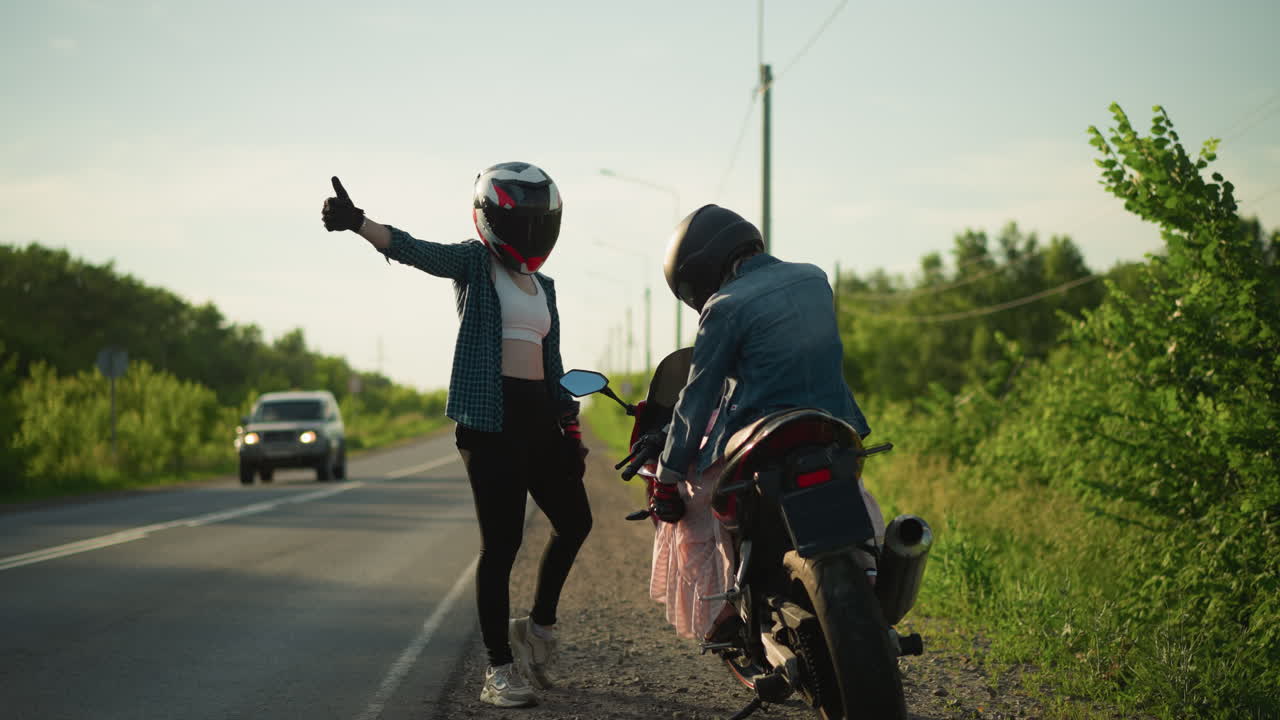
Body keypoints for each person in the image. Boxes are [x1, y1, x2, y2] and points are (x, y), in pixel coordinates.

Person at [321, 163, 591, 708]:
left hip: (539, 419)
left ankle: (537, 627)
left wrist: (569, 425)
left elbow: (552, 362)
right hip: (488, 422)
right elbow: (414, 250)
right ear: (492, 219)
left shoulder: (545, 287)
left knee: (576, 521)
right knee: (502, 546)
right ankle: (498, 671)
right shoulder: (473, 263)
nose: (530, 232)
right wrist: (359, 223)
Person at [646, 204, 885, 640]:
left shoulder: (724, 305)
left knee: (693, 502)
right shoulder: (815, 279)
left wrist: (667, 477)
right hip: (830, 427)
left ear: (702, 268)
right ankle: (871, 565)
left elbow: (698, 397)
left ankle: (721, 612)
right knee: (852, 485)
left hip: (764, 438)